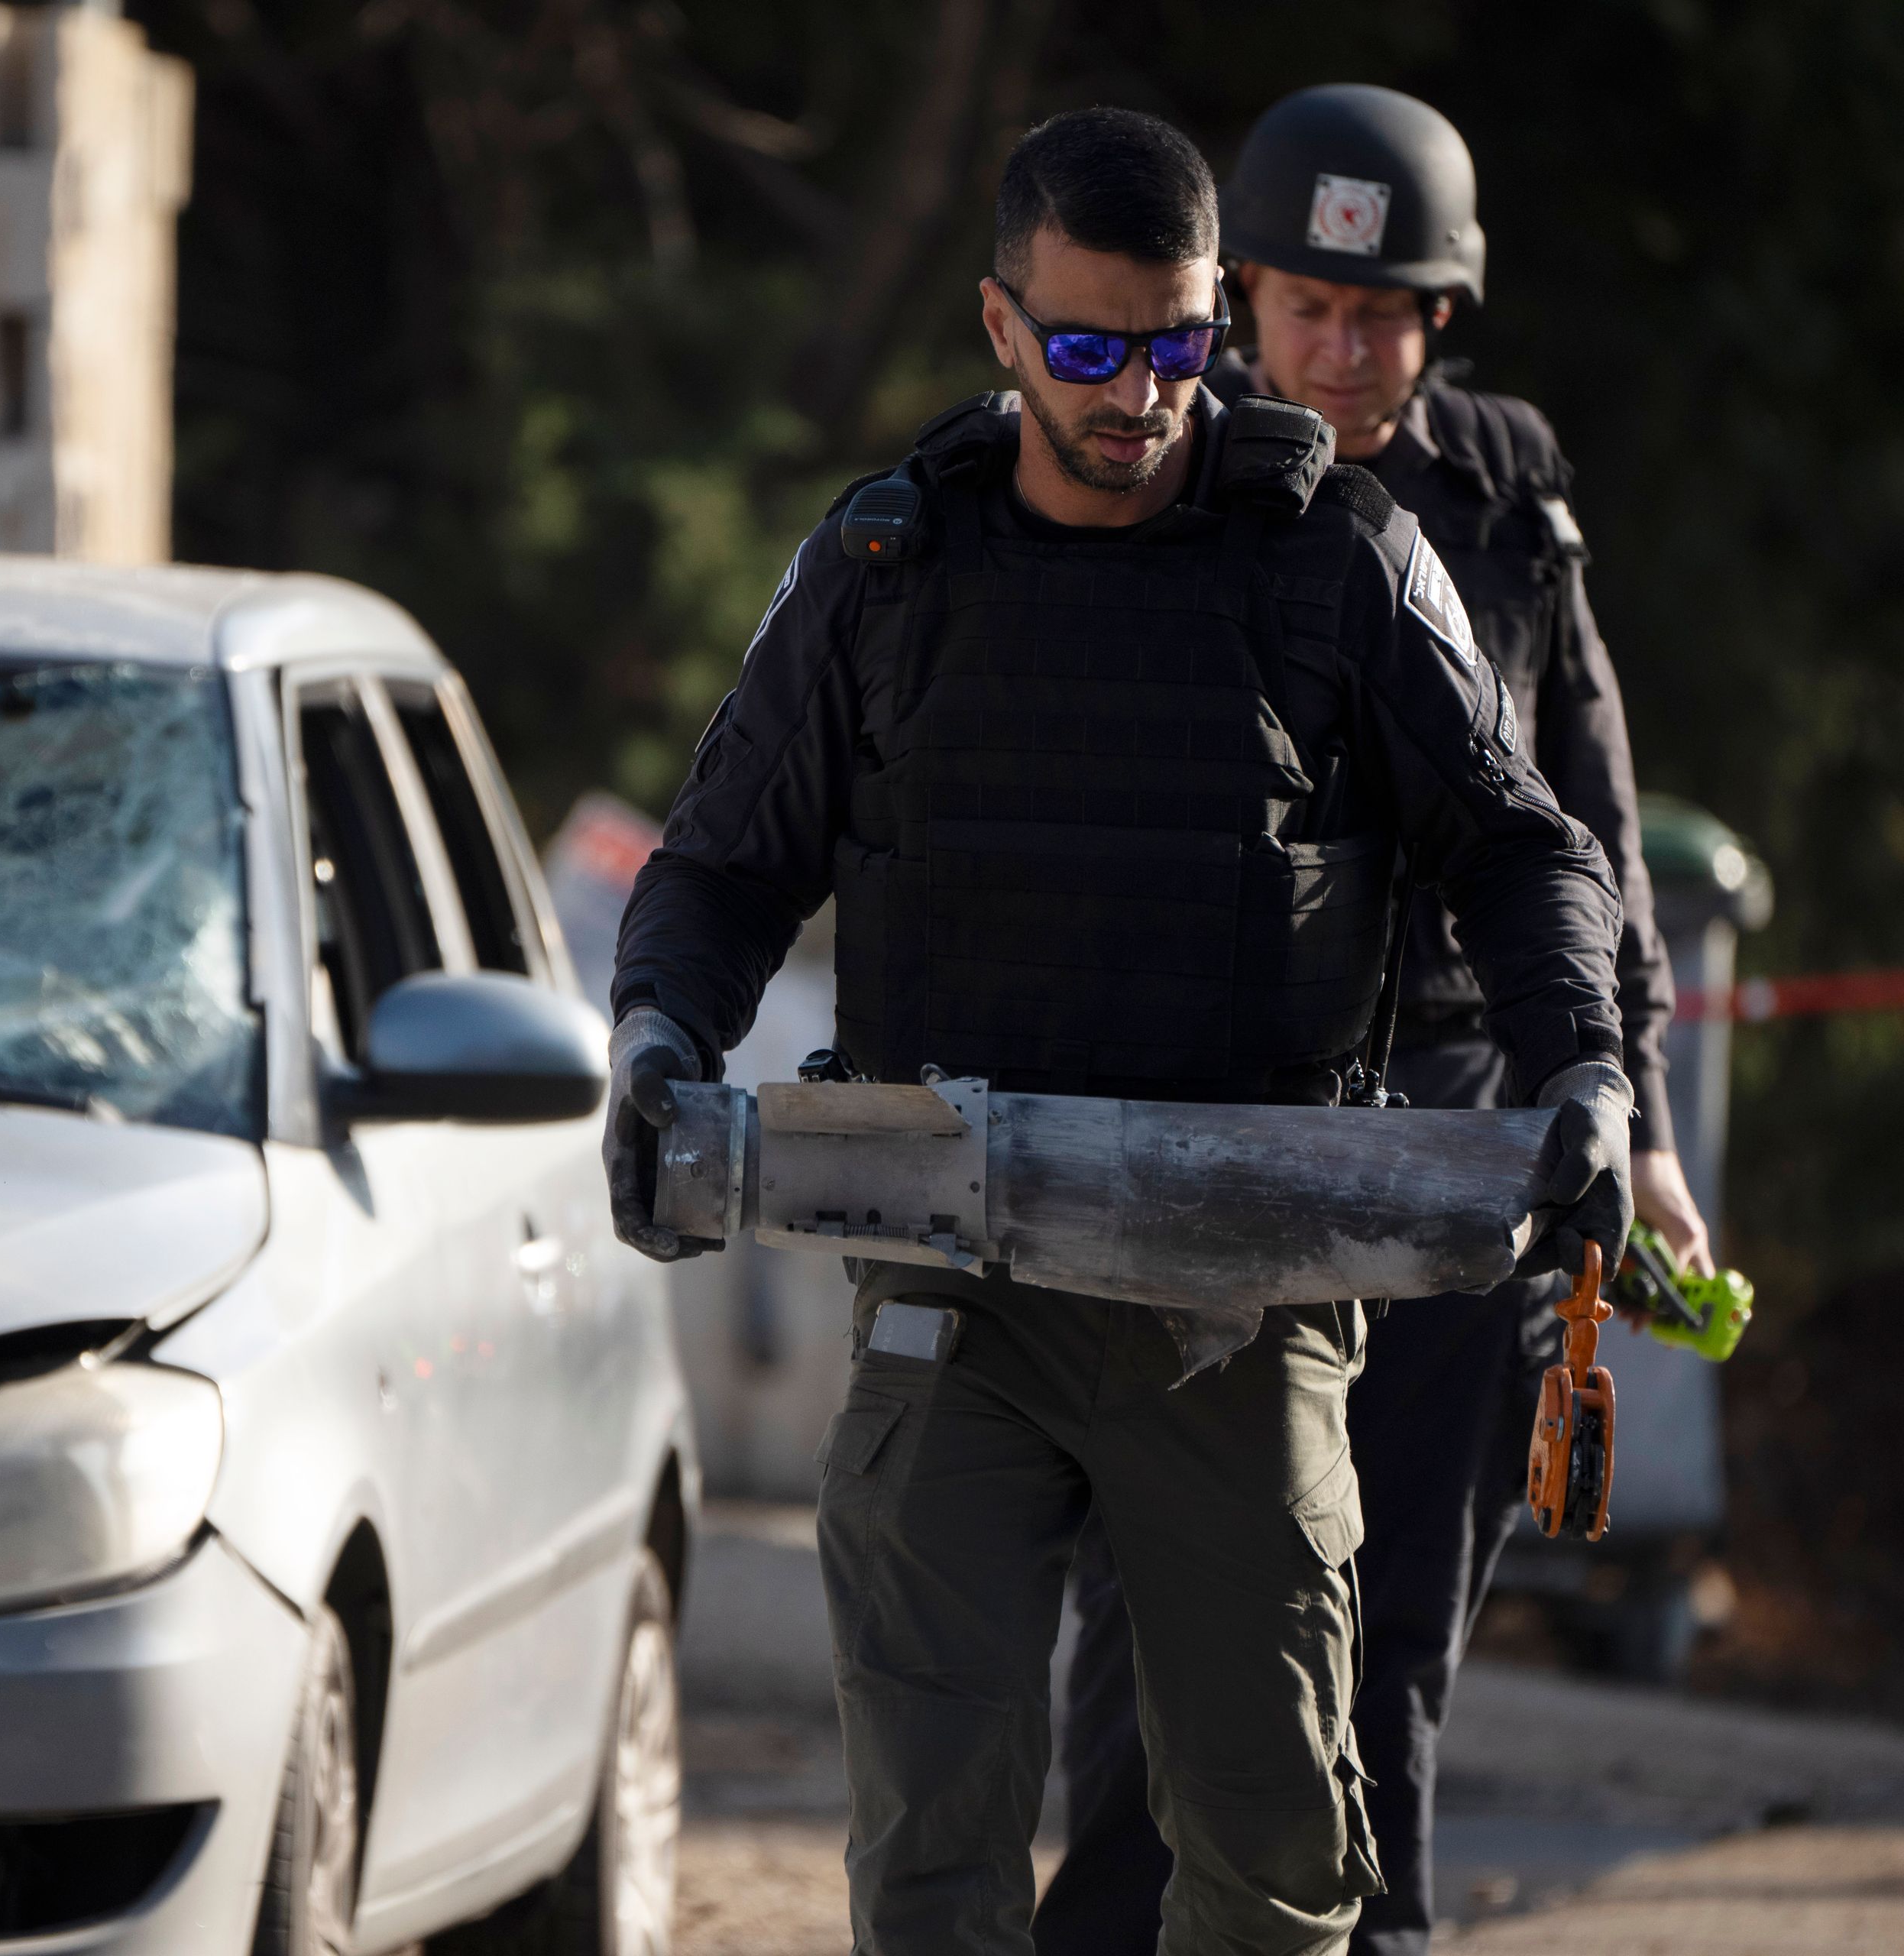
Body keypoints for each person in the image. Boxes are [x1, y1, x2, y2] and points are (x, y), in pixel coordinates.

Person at [605, 106, 1634, 1956]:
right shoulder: (886, 570)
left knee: (1273, 1855)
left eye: (1173, 343)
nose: (1139, 393)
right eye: (1087, 347)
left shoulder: (1338, 558)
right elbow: (723, 860)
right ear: (1000, 325)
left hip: (1239, 1290)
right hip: (957, 1281)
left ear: (1214, 315)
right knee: (935, 1835)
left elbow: (1517, 836)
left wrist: (1587, 1071)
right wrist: (659, 1036)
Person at [1031, 85, 1701, 1956]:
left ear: (1442, 316)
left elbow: (1592, 831)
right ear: (1239, 299)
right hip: (1207, 1115)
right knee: (1157, 1596)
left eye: (1386, 312)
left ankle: (1373, 1934)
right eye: (1309, 308)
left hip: (1457, 1118)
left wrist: (1631, 1122)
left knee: (1393, 1610)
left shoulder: (1509, 495)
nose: (1345, 348)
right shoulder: (1146, 466)